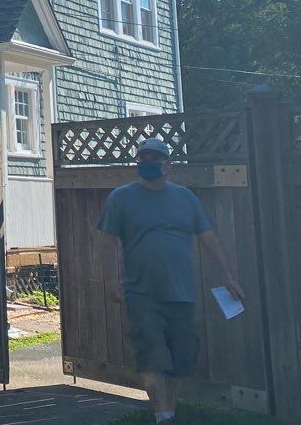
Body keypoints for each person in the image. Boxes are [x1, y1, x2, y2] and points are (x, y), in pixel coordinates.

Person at [98, 137, 244, 424]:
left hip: (181, 292)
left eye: (155, 159)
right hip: (141, 293)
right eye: (144, 159)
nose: (149, 163)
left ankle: (170, 413)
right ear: (137, 162)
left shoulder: (185, 198)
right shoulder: (121, 197)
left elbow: (208, 238)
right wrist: (112, 279)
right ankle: (162, 416)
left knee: (179, 360)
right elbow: (107, 240)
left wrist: (228, 275)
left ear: (169, 165)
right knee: (152, 357)